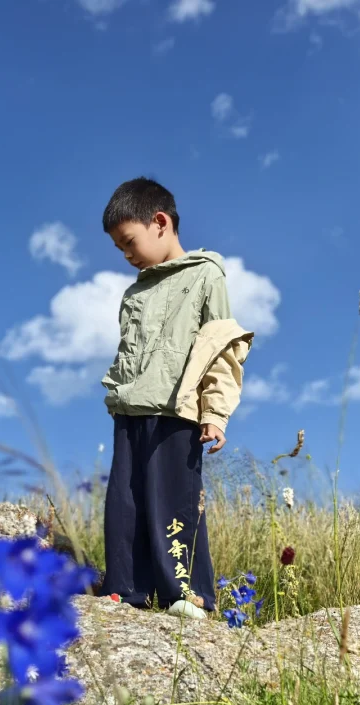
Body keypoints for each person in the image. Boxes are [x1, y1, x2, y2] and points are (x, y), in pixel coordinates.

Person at [98, 177, 253, 620]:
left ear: (160, 222)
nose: (127, 255)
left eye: (129, 243)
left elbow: (223, 348)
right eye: (120, 249)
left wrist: (216, 413)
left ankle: (186, 593)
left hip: (177, 411)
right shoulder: (135, 292)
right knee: (125, 502)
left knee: (173, 500)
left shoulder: (206, 274)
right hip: (130, 409)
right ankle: (126, 589)